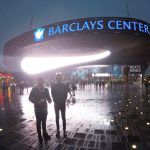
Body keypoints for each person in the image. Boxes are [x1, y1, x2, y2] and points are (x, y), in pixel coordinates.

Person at [29, 77, 52, 146]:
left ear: (43, 82)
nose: (41, 83)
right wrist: (36, 102)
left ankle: (45, 134)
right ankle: (39, 136)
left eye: (42, 81)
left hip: (45, 109)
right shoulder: (34, 89)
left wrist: (50, 100)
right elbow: (30, 98)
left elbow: (49, 98)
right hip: (38, 109)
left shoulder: (46, 90)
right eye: (40, 81)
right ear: (38, 82)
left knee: (44, 122)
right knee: (38, 122)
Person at [51, 73, 69, 138]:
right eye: (58, 77)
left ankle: (64, 130)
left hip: (62, 103)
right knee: (57, 117)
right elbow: (52, 94)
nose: (59, 78)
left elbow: (66, 94)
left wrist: (64, 100)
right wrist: (55, 100)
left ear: (61, 78)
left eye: (60, 77)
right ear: (56, 78)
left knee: (63, 117)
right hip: (57, 103)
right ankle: (58, 130)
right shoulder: (54, 86)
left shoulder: (63, 85)